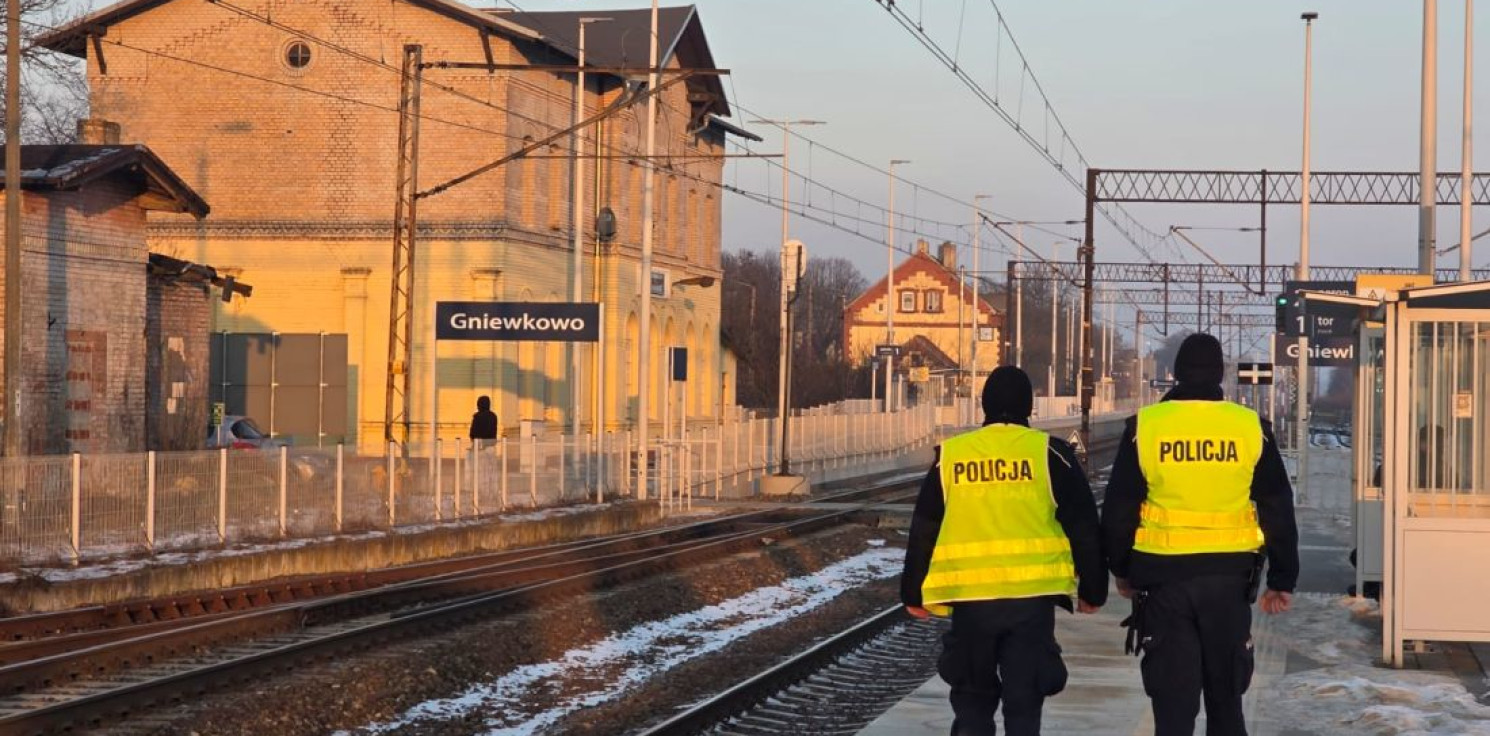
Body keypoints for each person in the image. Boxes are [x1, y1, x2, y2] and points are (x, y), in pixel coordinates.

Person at [1101, 333, 1299, 736]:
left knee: (1173, 707)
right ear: (1220, 374)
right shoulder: (1249, 428)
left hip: (1163, 583)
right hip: (1229, 583)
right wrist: (1282, 578)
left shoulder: (1146, 428)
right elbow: (1277, 505)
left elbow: (1119, 507)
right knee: (1227, 701)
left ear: (1175, 373)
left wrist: (1121, 569)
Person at [901, 366, 1107, 736]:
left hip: (971, 603)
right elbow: (1084, 526)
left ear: (984, 405)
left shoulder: (952, 456)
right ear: (1029, 406)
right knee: (1024, 703)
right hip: (1031, 603)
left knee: (973, 701)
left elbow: (924, 529)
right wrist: (1094, 589)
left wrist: (912, 591)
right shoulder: (1050, 454)